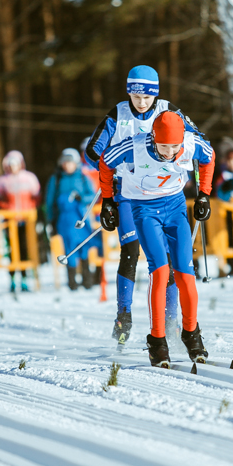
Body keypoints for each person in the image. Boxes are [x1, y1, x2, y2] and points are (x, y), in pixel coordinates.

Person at [84, 65, 201, 341]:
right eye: (136, 97)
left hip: (164, 192)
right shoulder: (119, 112)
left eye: (147, 98)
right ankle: (123, 316)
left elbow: (196, 137)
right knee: (130, 251)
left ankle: (170, 318)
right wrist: (114, 170)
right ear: (129, 93)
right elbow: (93, 151)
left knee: (168, 258)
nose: (141, 103)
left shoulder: (168, 109)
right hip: (127, 192)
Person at [99, 110, 215, 366]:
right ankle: (158, 340)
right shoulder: (135, 147)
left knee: (185, 272)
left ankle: (191, 333)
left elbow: (209, 157)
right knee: (160, 272)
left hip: (175, 207)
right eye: (164, 146)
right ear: (153, 138)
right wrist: (108, 201)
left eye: (175, 147)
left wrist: (204, 194)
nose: (170, 153)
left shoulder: (189, 143)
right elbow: (105, 162)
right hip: (144, 208)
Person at [45, 148, 96, 290]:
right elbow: (50, 202)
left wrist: (82, 198)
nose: (67, 165)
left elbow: (93, 196)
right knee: (69, 249)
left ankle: (87, 280)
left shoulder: (83, 177)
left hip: (81, 218)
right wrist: (51, 221)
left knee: (85, 248)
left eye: (70, 162)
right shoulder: (56, 180)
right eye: (65, 162)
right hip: (65, 220)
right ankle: (72, 282)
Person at [0, 150, 41, 292]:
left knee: (26, 248)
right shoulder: (2, 181)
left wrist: (31, 208)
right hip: (10, 221)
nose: (13, 167)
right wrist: (6, 207)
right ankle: (13, 278)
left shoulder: (29, 178)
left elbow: (37, 196)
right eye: (10, 165)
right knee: (12, 249)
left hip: (27, 221)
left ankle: (26, 278)